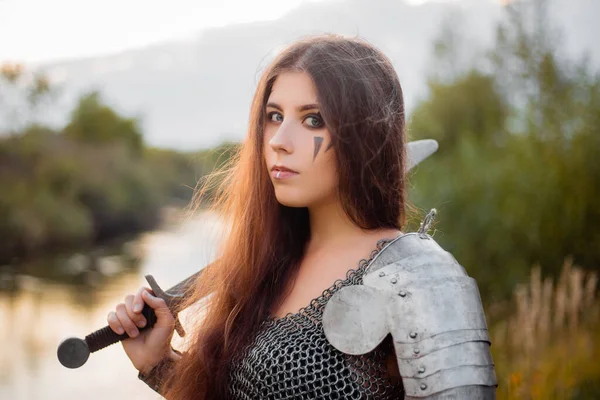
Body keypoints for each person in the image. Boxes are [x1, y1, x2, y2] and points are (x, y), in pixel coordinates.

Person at [107, 34, 496, 399]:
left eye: (313, 119)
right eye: (274, 116)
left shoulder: (420, 277)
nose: (278, 141)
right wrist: (158, 364)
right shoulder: (269, 265)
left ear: (365, 136)